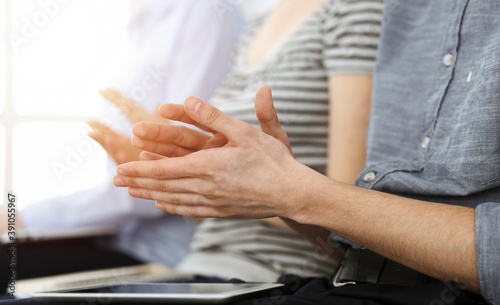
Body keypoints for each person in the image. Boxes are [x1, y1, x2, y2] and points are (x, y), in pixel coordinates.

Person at [114, 0, 500, 304]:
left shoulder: (360, 11)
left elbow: (342, 210)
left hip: (270, 271)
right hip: (208, 268)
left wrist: (278, 189)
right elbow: (343, 228)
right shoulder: (259, 26)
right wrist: (197, 182)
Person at [122, 0, 382, 282]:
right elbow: (217, 215)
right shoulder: (259, 24)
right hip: (199, 266)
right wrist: (187, 177)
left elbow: (350, 228)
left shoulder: (356, 11)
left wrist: (250, 190)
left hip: (277, 273)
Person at [0, 0, 244, 287]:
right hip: (119, 237)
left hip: (160, 254)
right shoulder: (142, 26)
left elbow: (171, 177)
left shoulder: (204, 13)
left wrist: (21, 218)